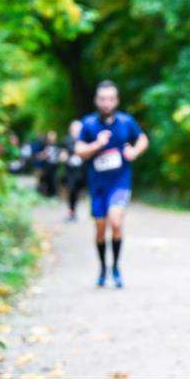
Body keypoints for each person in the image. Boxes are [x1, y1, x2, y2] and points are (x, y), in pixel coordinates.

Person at [75, 81, 149, 287]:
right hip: (98, 186)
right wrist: (96, 145)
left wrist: (135, 151)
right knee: (100, 229)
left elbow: (143, 139)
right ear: (96, 101)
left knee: (116, 222)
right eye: (102, 99)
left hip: (120, 182)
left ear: (116, 100)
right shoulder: (88, 124)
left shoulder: (126, 122)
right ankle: (102, 268)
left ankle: (116, 267)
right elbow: (79, 151)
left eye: (110, 99)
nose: (106, 103)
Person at [61, 119, 86, 221]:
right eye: (75, 127)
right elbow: (62, 154)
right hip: (70, 171)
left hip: (82, 170)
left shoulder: (84, 140)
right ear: (71, 128)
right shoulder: (66, 140)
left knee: (78, 191)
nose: (77, 129)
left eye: (79, 127)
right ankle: (71, 211)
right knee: (72, 190)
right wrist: (63, 157)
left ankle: (75, 210)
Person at [36, 130, 61, 198]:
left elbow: (60, 155)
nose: (52, 137)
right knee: (46, 180)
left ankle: (54, 194)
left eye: (53, 135)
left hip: (55, 166)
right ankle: (46, 194)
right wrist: (43, 155)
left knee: (54, 180)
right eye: (50, 135)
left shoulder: (58, 145)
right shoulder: (44, 145)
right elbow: (38, 156)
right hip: (46, 166)